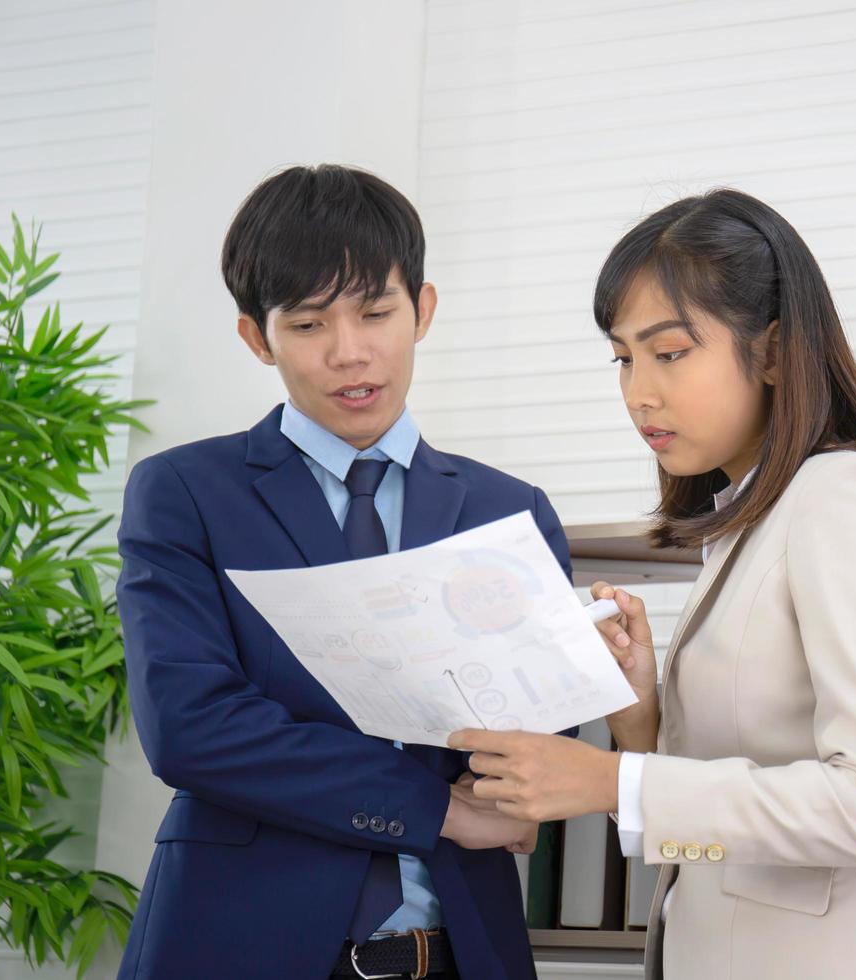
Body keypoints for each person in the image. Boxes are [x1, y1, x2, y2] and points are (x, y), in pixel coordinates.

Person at [449, 188, 856, 978]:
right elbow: (738, 794)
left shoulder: (844, 500)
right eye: (623, 358)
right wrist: (640, 715)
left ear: (770, 350)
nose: (638, 393)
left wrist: (612, 780)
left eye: (669, 353)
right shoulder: (753, 519)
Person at [115, 164, 565, 979]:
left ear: (422, 311)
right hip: (236, 942)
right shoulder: (184, 493)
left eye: (376, 312)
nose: (350, 352)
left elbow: (541, 729)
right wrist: (436, 809)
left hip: (459, 950)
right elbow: (190, 726)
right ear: (258, 336)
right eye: (310, 324)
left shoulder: (511, 510)